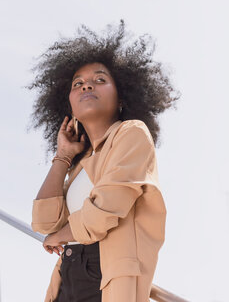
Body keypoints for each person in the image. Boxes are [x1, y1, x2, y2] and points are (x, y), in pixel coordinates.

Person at [26, 20, 180, 302]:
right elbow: (44, 223)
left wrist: (60, 235)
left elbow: (106, 209)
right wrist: (63, 156)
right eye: (78, 84)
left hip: (106, 275)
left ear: (120, 97)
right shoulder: (80, 163)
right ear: (69, 104)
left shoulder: (131, 133)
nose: (87, 86)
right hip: (67, 275)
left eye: (100, 80)